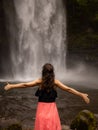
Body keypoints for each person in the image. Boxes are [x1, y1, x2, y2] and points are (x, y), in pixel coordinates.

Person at [4, 63, 90, 130]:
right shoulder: (55, 82)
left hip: (42, 109)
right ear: (52, 72)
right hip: (52, 109)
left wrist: (12, 86)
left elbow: (25, 84)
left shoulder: (40, 81)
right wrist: (81, 94)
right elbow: (68, 89)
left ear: (43, 72)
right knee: (51, 126)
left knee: (42, 126)